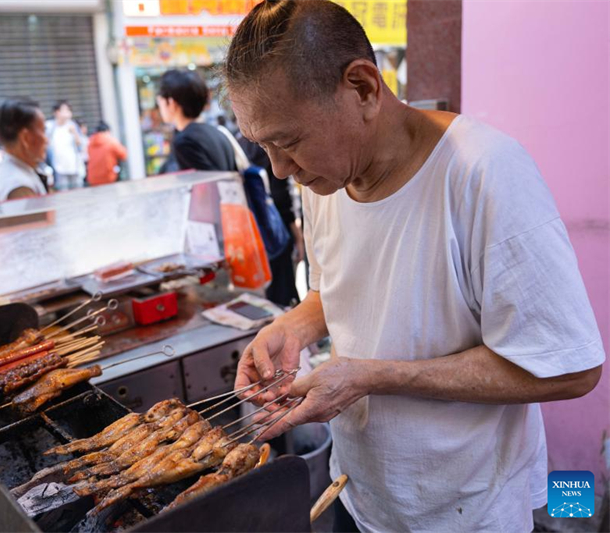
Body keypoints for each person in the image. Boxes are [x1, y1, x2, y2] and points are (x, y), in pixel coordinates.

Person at [226, 2, 604, 532]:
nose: (280, 169)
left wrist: (375, 376)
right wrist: (295, 324)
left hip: (464, 510)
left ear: (362, 88)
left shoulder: (485, 174)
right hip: (358, 489)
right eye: (263, 146)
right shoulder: (324, 178)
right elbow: (350, 287)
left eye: (288, 142)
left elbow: (570, 367)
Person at [235, 130, 302, 307]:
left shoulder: (241, 143)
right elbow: (282, 192)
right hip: (277, 227)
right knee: (284, 289)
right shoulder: (271, 137)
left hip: (256, 230)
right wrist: (297, 232)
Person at [157, 69, 236, 172]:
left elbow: (202, 185)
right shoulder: (217, 132)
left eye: (159, 101)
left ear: (171, 103)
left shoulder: (185, 142)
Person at [0, 98, 49, 204]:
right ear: (26, 138)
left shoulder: (10, 172)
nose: (47, 140)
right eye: (43, 130)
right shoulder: (19, 187)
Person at [45, 100, 87, 190]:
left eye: (69, 110)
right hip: (59, 168)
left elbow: (80, 146)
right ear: (56, 112)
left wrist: (75, 133)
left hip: (74, 167)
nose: (68, 113)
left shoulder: (72, 125)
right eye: (65, 110)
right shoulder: (49, 126)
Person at [87, 121, 127, 186]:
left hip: (93, 179)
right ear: (107, 131)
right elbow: (124, 155)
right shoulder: (111, 141)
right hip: (108, 177)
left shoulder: (90, 142)